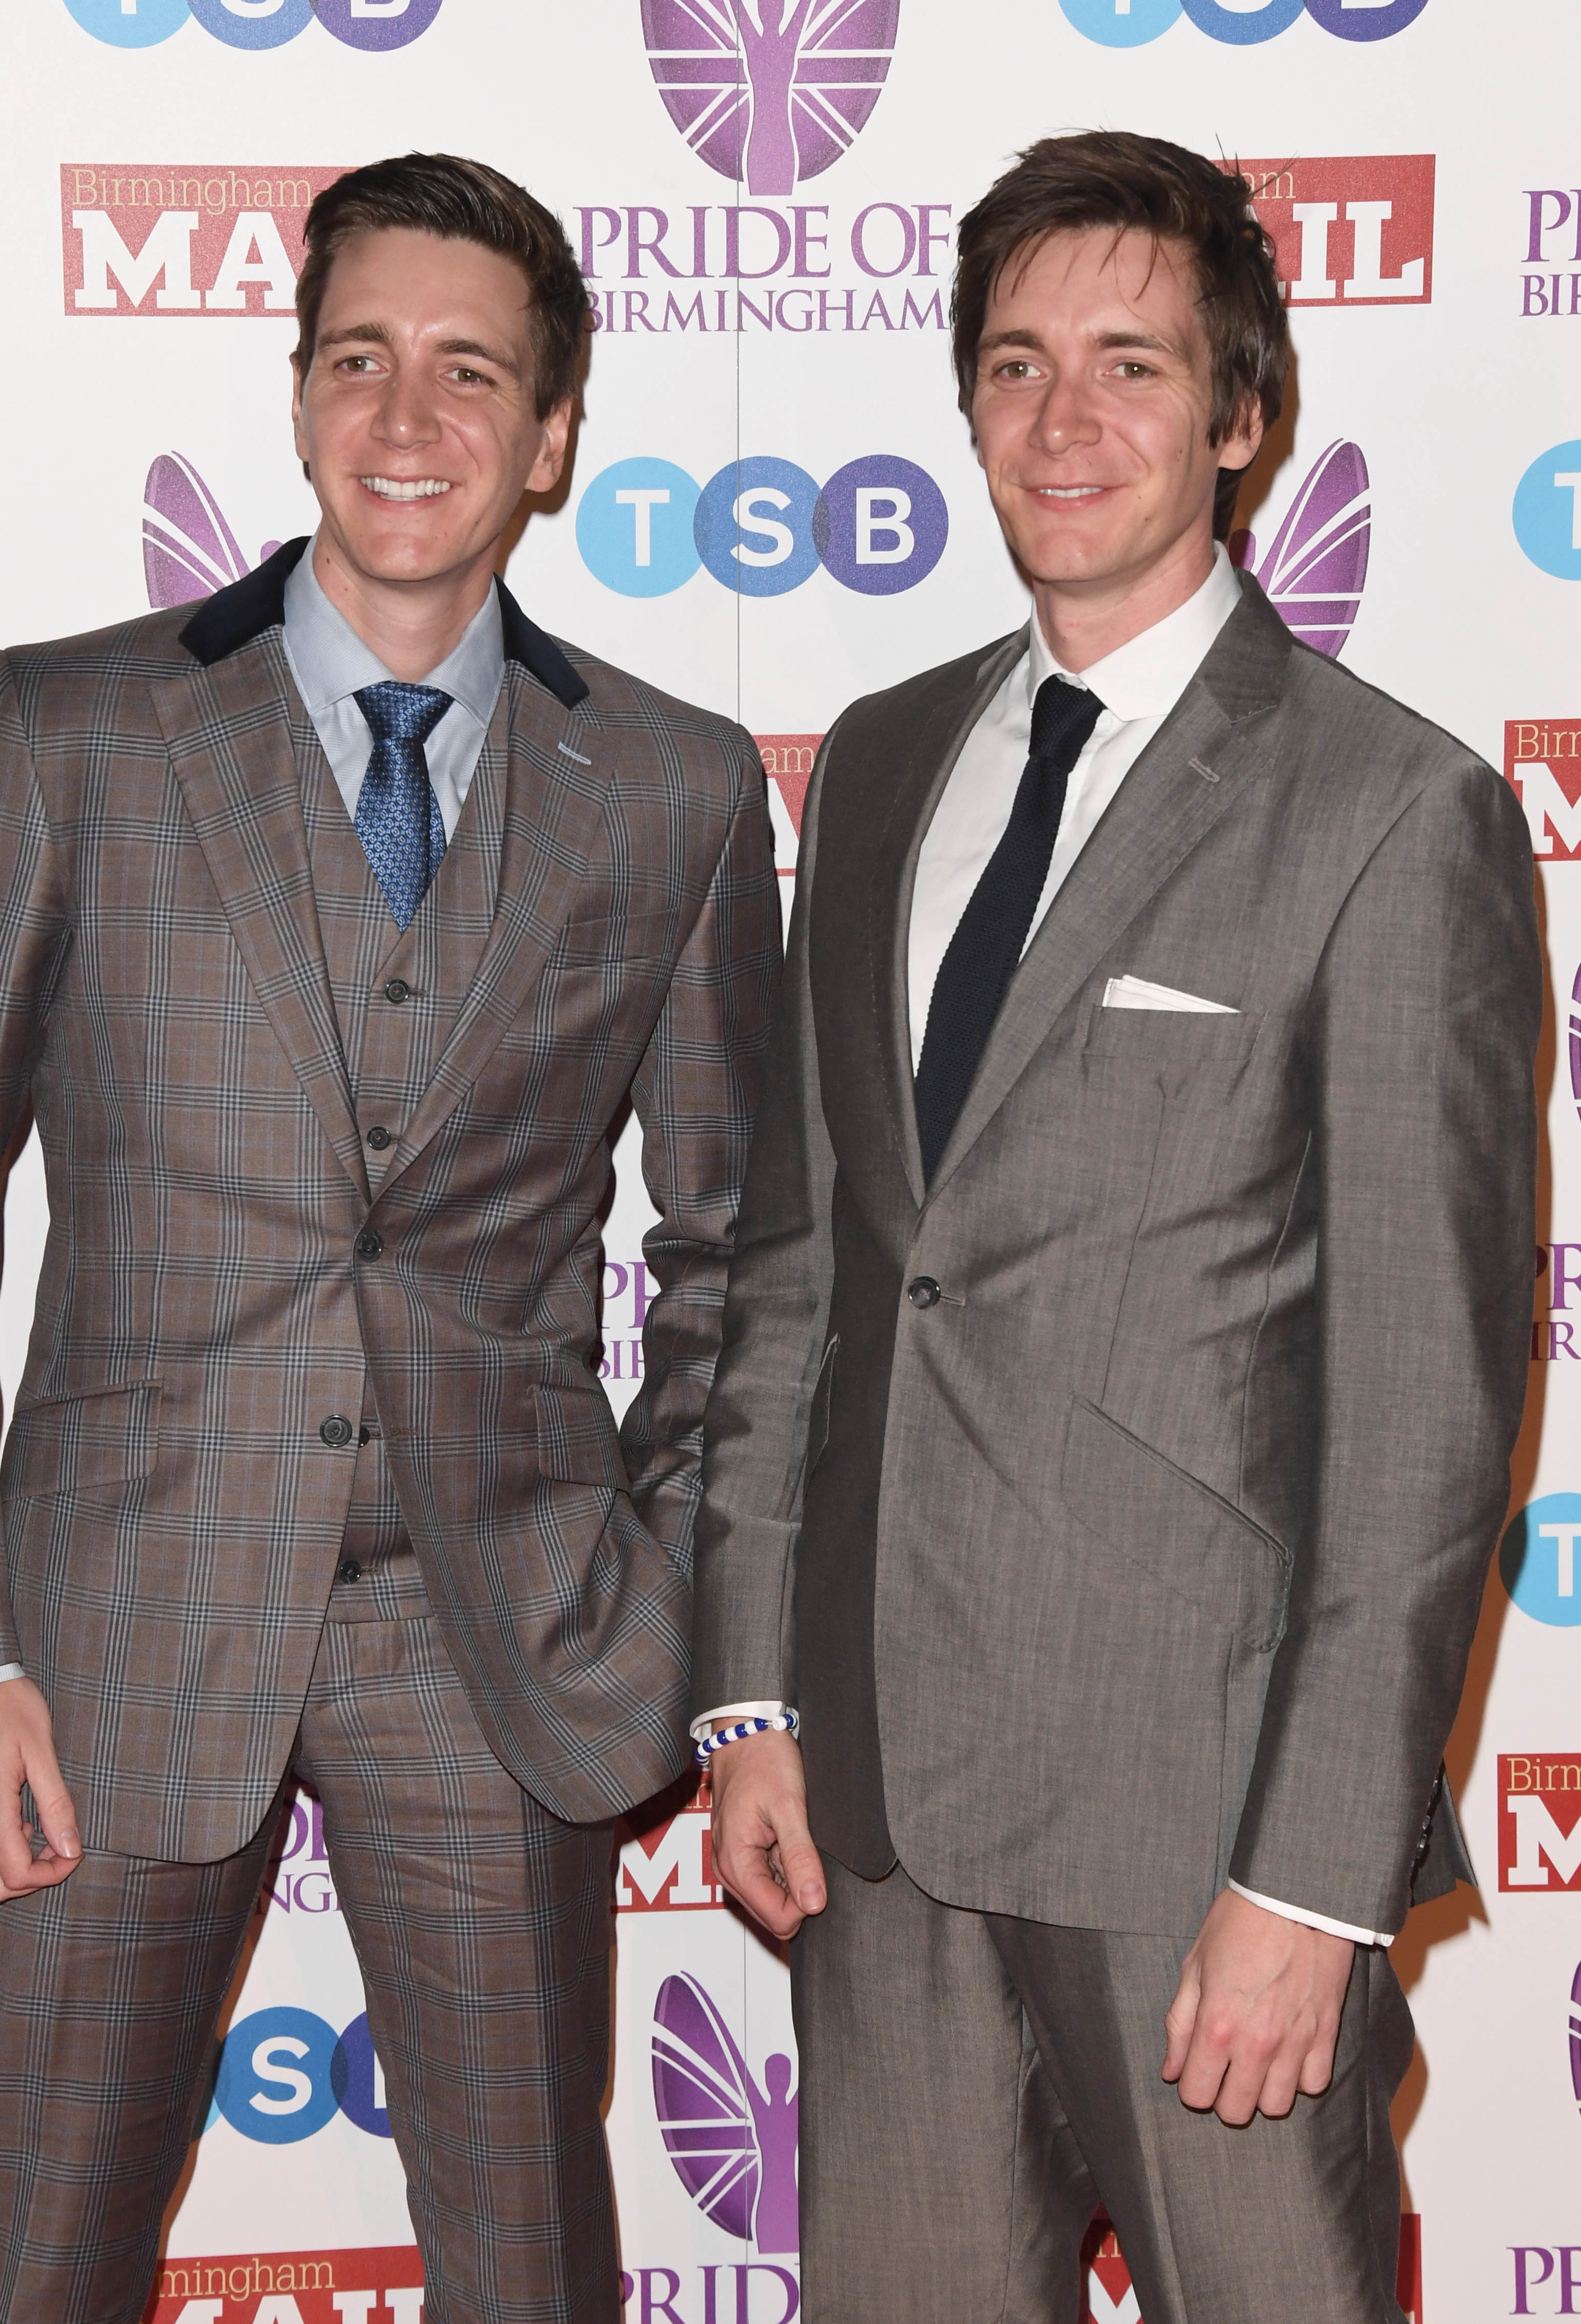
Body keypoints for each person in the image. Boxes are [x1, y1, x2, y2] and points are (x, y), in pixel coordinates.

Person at [0, 152, 779, 2324]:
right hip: (109, 1641)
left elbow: (738, 1256)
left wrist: (641, 1587)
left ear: (550, 437)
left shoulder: (675, 786)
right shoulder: (73, 729)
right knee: (29, 2256)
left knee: (530, 2269)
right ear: (297, 393)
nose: (407, 418)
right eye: (360, 359)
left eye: (469, 372)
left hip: (499, 1641)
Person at [691, 129, 1538, 2323]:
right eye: (1016, 365)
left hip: (1201, 1829)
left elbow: (1427, 1420)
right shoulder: (877, 760)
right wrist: (751, 1691)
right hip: (873, 1817)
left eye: (1134, 366)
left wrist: (1316, 1880)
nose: (1064, 423)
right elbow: (805, 1268)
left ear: (1243, 417)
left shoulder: (1392, 810)